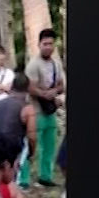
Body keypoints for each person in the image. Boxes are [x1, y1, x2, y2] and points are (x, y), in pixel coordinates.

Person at [24, 29, 64, 187]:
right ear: (39, 45)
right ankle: (24, 179)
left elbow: (61, 85)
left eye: (51, 44)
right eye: (45, 44)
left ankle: (45, 176)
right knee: (31, 147)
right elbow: (30, 87)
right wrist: (44, 94)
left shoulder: (56, 63)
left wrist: (53, 92)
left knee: (50, 146)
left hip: (50, 110)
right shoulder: (33, 65)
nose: (48, 47)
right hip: (35, 111)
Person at [0, 72, 35, 184]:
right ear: (27, 88)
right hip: (13, 148)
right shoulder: (27, 108)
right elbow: (32, 136)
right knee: (11, 181)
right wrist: (31, 152)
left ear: (12, 86)